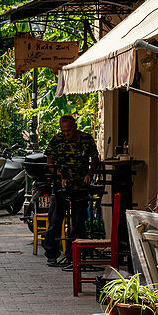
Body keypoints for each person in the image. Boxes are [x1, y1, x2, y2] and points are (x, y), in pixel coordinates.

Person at [42, 114, 100, 267]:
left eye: (68, 130)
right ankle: (51, 253)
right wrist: (59, 175)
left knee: (79, 221)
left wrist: (89, 173)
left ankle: (75, 253)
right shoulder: (57, 139)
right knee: (55, 219)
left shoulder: (86, 139)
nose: (66, 134)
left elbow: (95, 159)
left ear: (74, 127)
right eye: (63, 130)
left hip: (80, 185)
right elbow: (50, 162)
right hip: (61, 186)